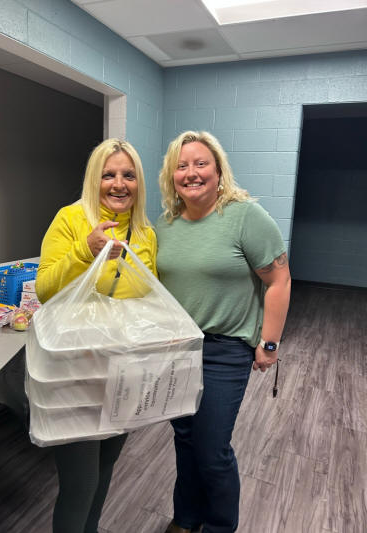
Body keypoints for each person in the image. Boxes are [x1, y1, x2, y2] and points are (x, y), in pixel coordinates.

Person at [156, 131, 291, 533]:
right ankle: (186, 518)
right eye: (182, 166)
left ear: (218, 171)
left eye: (201, 164)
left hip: (225, 349)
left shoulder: (245, 216)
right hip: (177, 348)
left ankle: (219, 526)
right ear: (171, 175)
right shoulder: (165, 224)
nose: (191, 173)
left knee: (212, 449)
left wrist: (269, 343)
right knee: (185, 440)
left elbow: (279, 280)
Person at [35, 138, 157, 533]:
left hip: (123, 372)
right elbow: (44, 290)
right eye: (108, 175)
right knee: (80, 483)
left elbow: (150, 298)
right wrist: (84, 251)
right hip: (76, 373)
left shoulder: (144, 233)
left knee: (105, 469)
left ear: (138, 183)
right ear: (94, 179)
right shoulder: (71, 219)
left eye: (128, 175)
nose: (118, 184)